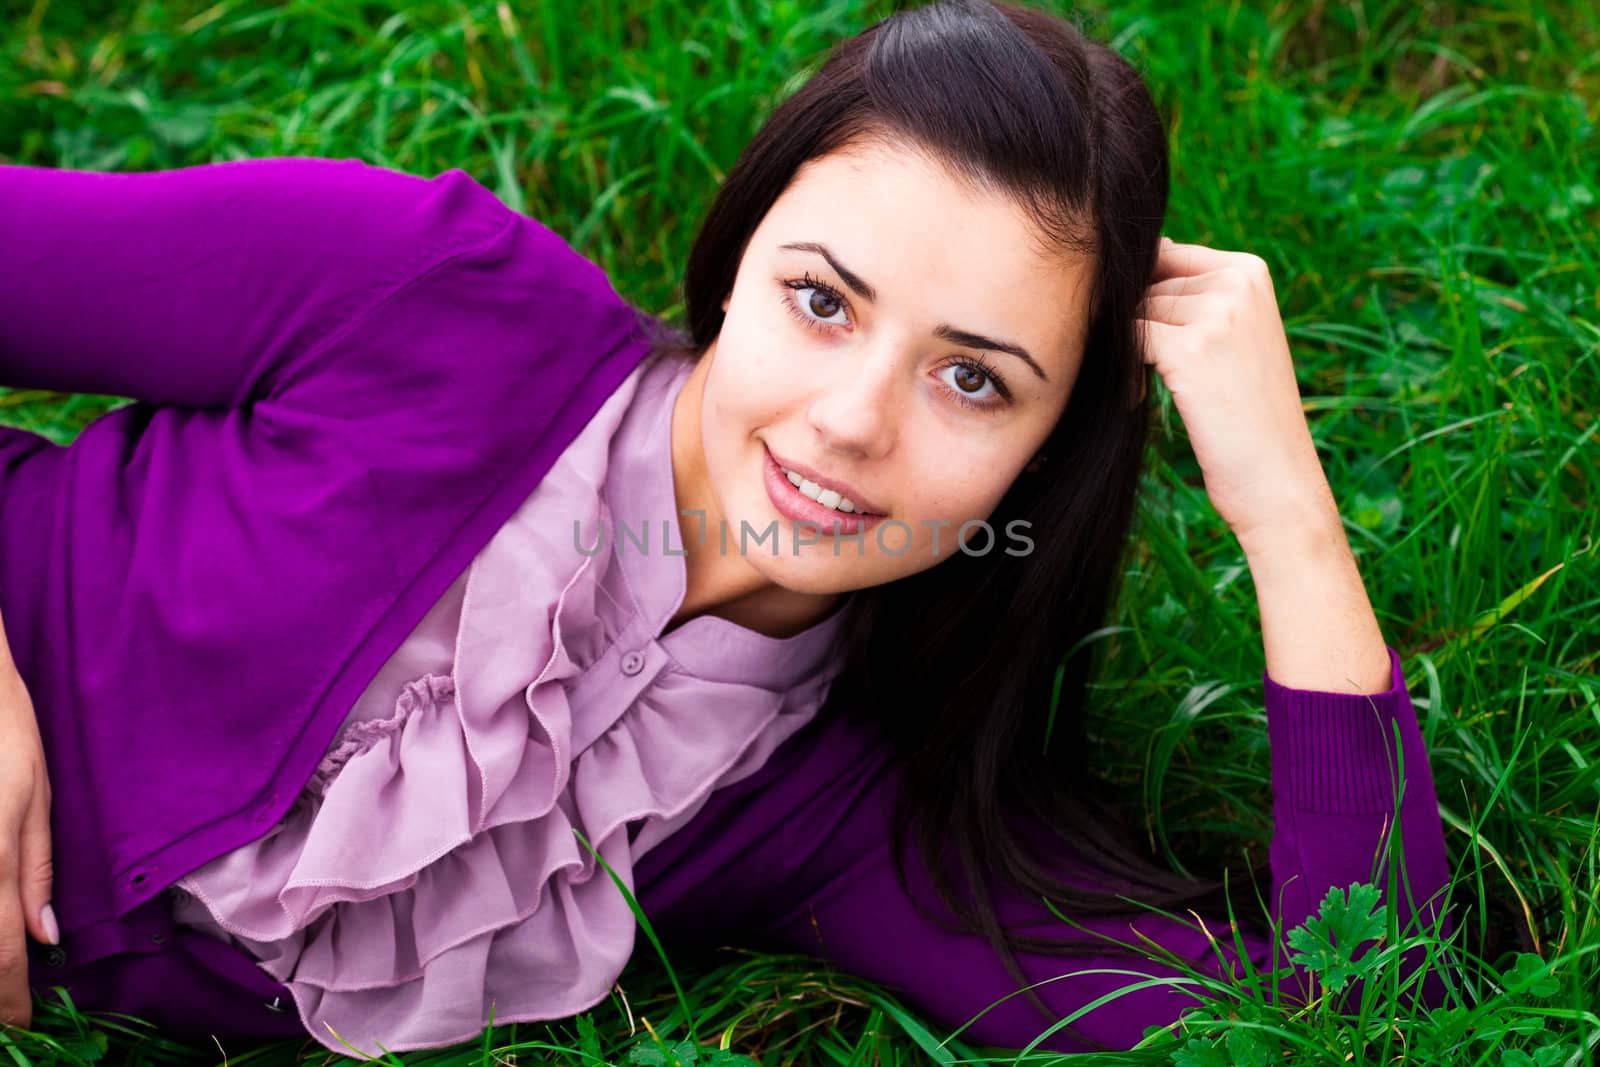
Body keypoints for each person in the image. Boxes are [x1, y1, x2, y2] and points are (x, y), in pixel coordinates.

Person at [0, 0, 1454, 1056]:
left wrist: (1288, 516)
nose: (848, 423)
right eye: (821, 302)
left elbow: (1351, 1025)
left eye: (973, 380)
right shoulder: (416, 295)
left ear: (1047, 452)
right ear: (739, 250)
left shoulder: (836, 813)